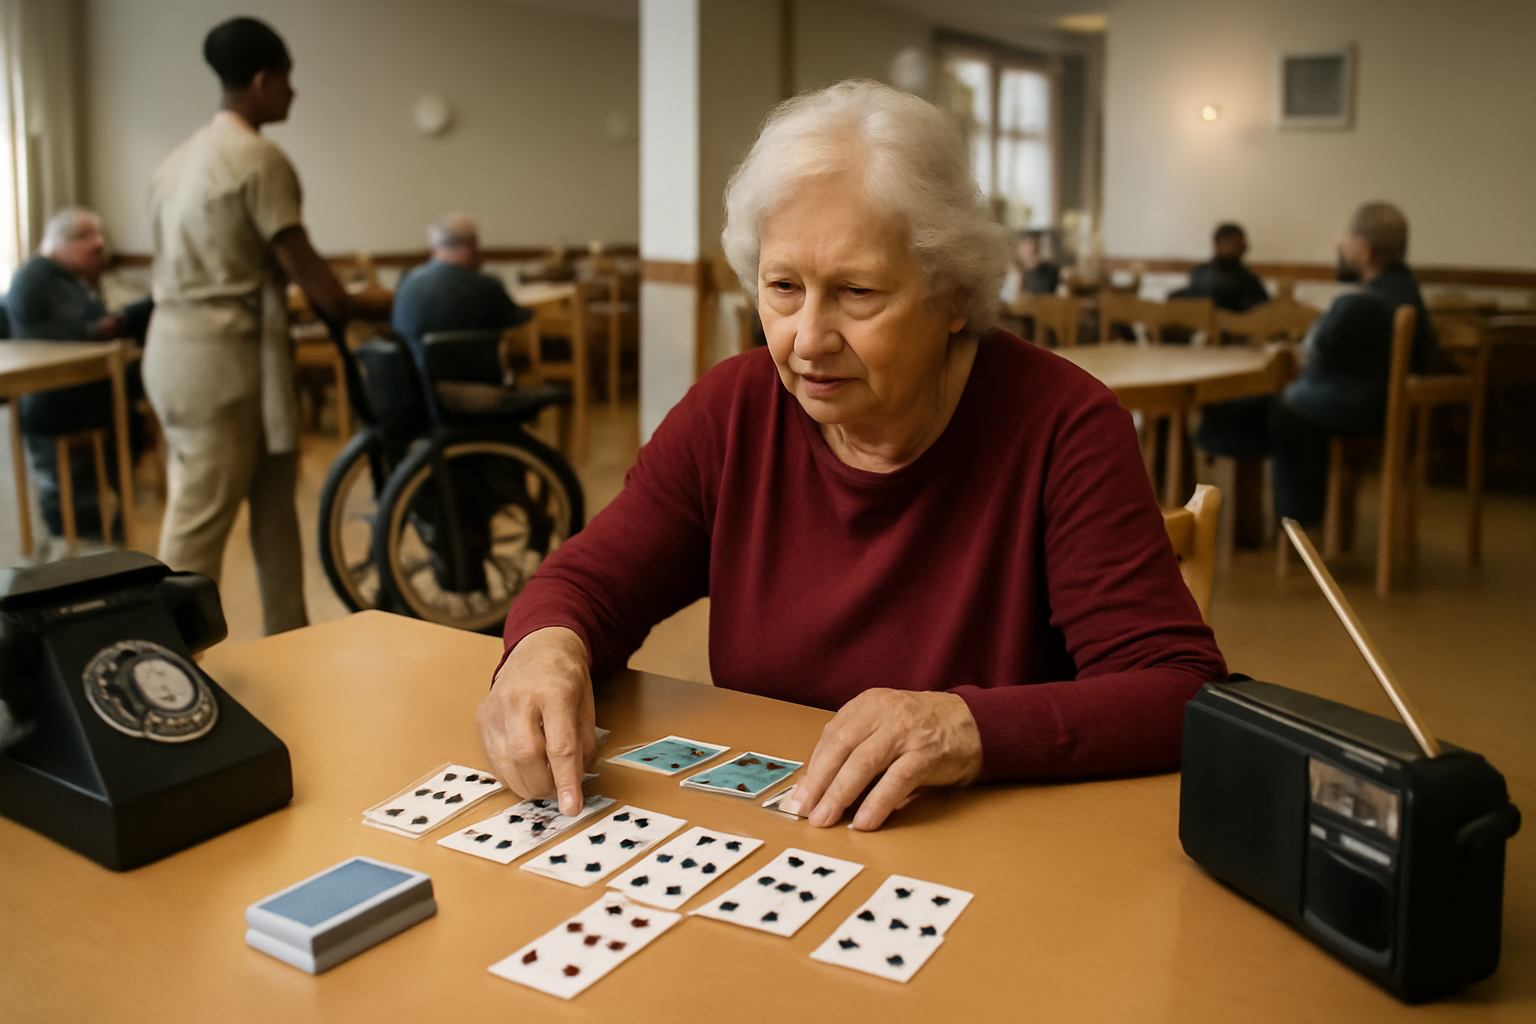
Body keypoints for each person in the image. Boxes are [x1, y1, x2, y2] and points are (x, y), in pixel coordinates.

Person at [476, 80, 1226, 832]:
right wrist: (547, 648)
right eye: (782, 287)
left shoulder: (1064, 426)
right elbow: (590, 581)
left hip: (990, 850)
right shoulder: (733, 410)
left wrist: (966, 727)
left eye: (857, 291)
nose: (807, 339)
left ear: (953, 293)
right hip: (785, 836)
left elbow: (1176, 691)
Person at [144, 17, 389, 634]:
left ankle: (289, 634)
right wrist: (376, 303)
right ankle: (156, 655)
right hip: (222, 358)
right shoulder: (257, 158)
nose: (292, 94)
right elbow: (313, 278)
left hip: (174, 350)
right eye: (287, 80)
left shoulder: (175, 162)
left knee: (274, 509)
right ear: (261, 81)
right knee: (198, 521)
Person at [1194, 202, 1436, 527]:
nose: (1340, 245)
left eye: (1346, 240)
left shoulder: (1362, 302)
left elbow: (1315, 353)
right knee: (1262, 407)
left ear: (1364, 251)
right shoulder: (1408, 292)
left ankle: (1296, 527)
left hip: (1360, 409)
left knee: (1268, 407)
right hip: (1381, 407)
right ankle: (1268, 521)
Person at [4, 207, 153, 540]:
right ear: (63, 242)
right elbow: (90, 331)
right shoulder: (38, 279)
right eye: (91, 245)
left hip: (83, 411)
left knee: (100, 519)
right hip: (58, 415)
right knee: (79, 521)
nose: (100, 253)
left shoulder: (67, 280)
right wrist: (138, 313)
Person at [391, 213, 532, 381]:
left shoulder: (406, 283)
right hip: (469, 388)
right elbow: (518, 322)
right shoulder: (483, 286)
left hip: (413, 388)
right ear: (471, 244)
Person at [1171, 222, 1269, 313]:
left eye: (1242, 243)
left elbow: (1263, 311)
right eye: (1235, 242)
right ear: (1217, 245)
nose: (1243, 247)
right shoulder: (1199, 272)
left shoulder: (1247, 280)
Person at [999, 230, 1060, 304]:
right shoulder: (1008, 273)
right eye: (1035, 252)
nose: (1039, 258)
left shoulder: (1046, 272)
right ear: (1019, 248)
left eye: (1037, 251)